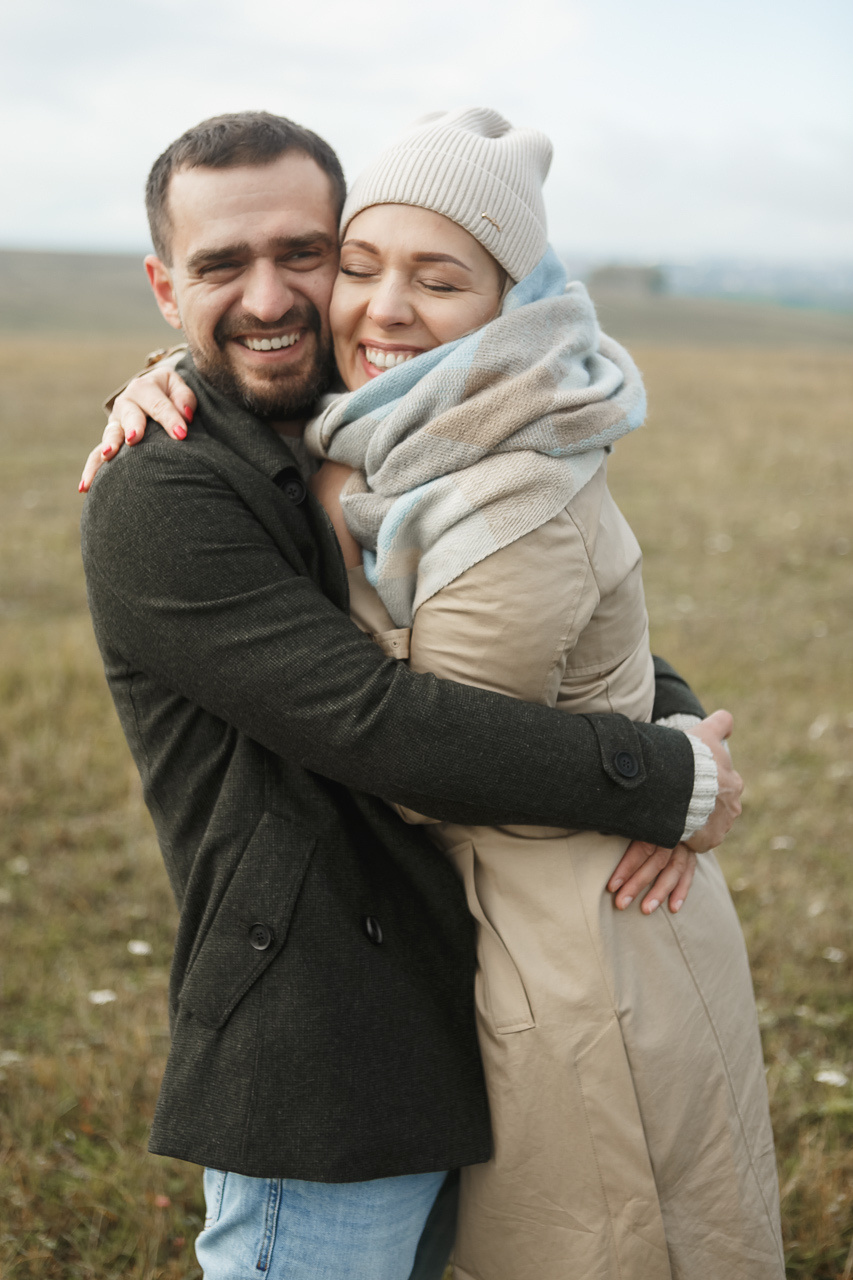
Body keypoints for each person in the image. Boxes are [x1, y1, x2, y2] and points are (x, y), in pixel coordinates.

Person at [80, 110, 744, 1280]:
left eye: (306, 254)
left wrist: (670, 715)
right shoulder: (162, 490)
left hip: (471, 999)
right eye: (221, 266)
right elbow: (381, 724)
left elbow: (553, 615)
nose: (275, 297)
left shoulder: (397, 431)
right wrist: (659, 778)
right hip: (322, 1035)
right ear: (161, 283)